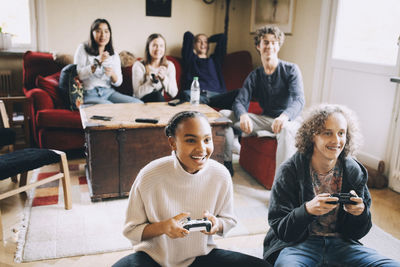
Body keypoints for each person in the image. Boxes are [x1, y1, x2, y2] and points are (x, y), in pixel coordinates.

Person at [113, 111, 270, 267]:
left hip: (200, 257)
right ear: (173, 143)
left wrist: (217, 224)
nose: (201, 148)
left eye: (207, 140)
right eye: (190, 140)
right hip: (153, 259)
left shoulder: (220, 174)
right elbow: (131, 230)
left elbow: (228, 220)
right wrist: (163, 227)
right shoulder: (149, 176)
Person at [263, 104, 400, 266]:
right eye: (328, 133)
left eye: (341, 133)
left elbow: (358, 233)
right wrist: (307, 211)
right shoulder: (289, 170)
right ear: (312, 135)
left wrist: (359, 213)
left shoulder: (353, 170)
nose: (336, 140)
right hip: (298, 245)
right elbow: (280, 228)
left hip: (342, 244)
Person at [221, 25, 304, 176]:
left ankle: (282, 183)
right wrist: (243, 115)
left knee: (285, 128)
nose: (269, 46)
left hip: (288, 121)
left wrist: (284, 116)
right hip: (266, 120)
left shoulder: (291, 70)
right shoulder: (255, 75)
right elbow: (240, 101)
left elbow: (299, 100)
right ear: (258, 46)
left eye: (274, 42)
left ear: (279, 45)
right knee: (223, 115)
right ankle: (227, 163)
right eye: (265, 42)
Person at [74, 18, 142, 104]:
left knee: (138, 104)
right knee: (109, 107)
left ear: (110, 34)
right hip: (88, 93)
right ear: (92, 33)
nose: (103, 35)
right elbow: (78, 75)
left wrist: (112, 74)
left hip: (108, 92)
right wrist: (98, 62)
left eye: (106, 31)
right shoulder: (82, 48)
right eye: (98, 31)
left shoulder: (114, 55)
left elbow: (118, 82)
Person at [181, 31, 239, 109]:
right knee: (185, 94)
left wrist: (209, 39)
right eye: (199, 41)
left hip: (217, 96)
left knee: (240, 92)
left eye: (205, 42)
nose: (202, 44)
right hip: (198, 95)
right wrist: (201, 40)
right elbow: (188, 35)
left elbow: (222, 37)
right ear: (194, 45)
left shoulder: (215, 60)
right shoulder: (190, 59)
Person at [132, 33, 178, 102]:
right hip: (141, 102)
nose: (158, 49)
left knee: (158, 96)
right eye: (154, 46)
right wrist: (152, 82)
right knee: (157, 96)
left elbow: (174, 94)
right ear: (148, 47)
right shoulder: (139, 65)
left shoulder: (169, 65)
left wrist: (164, 79)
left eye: (161, 46)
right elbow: (137, 95)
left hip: (158, 103)